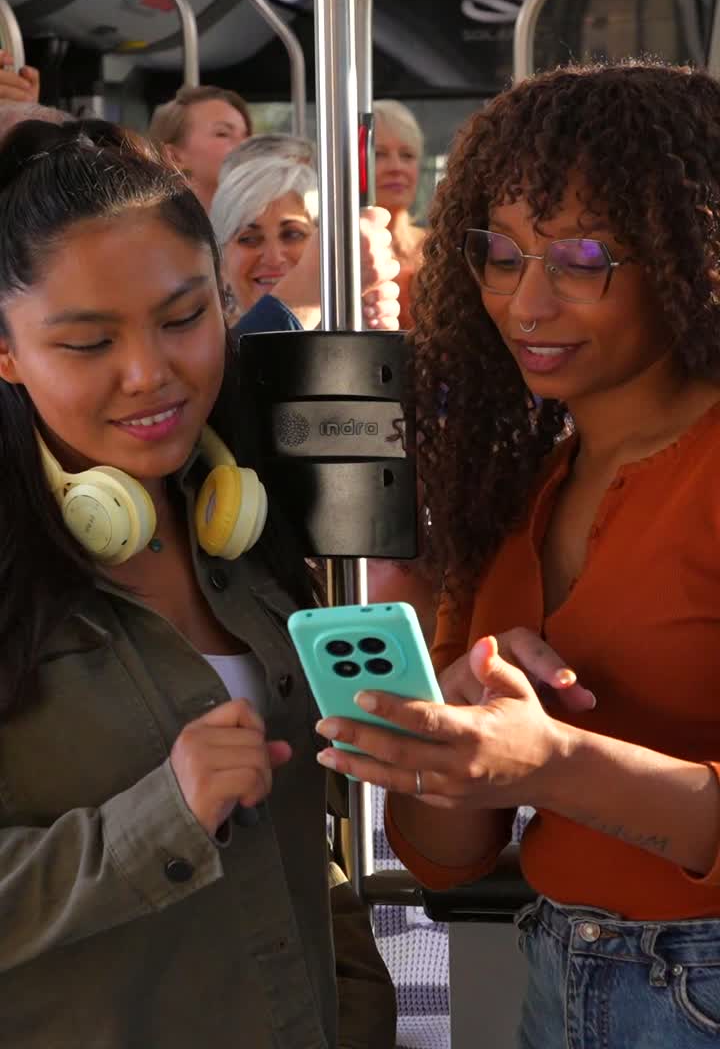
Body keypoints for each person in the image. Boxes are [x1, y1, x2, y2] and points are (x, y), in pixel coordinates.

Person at [314, 61, 720, 1048]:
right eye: (499, 255)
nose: (525, 303)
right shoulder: (514, 490)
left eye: (582, 260)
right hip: (555, 974)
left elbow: (549, 774)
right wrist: (447, 735)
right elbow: (450, 856)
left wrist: (558, 760)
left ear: (688, 255)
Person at [0, 118, 395, 1048]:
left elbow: (302, 841)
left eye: (184, 319)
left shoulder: (243, 520)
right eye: (88, 344)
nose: (151, 375)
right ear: (7, 353)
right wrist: (156, 824)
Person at [211, 133, 401, 333]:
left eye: (292, 234)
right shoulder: (205, 351)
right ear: (221, 262)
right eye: (249, 239)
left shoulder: (355, 332)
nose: (274, 257)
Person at [149, 85, 253, 210]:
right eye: (223, 134)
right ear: (174, 157)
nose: (245, 144)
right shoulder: (149, 226)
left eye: (246, 135)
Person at [373, 100, 426, 329]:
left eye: (407, 155)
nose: (396, 167)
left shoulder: (438, 246)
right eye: (379, 155)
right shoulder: (338, 254)